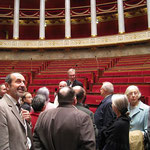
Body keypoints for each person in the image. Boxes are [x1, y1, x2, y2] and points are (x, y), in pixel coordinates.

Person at [0, 73, 33, 150]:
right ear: (7, 86)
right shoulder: (1, 107)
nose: (22, 85)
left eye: (24, 82)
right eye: (18, 81)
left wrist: (28, 122)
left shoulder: (18, 106)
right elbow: (3, 146)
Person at [125, 85, 150, 150]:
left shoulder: (146, 109)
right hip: (125, 143)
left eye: (135, 93)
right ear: (127, 96)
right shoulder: (124, 108)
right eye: (130, 93)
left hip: (139, 144)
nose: (133, 95)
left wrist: (134, 136)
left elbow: (147, 131)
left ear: (138, 95)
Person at [94, 82, 116, 150]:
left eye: (101, 89)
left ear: (105, 90)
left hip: (103, 137)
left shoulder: (109, 102)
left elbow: (108, 121)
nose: (100, 90)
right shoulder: (107, 100)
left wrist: (102, 135)